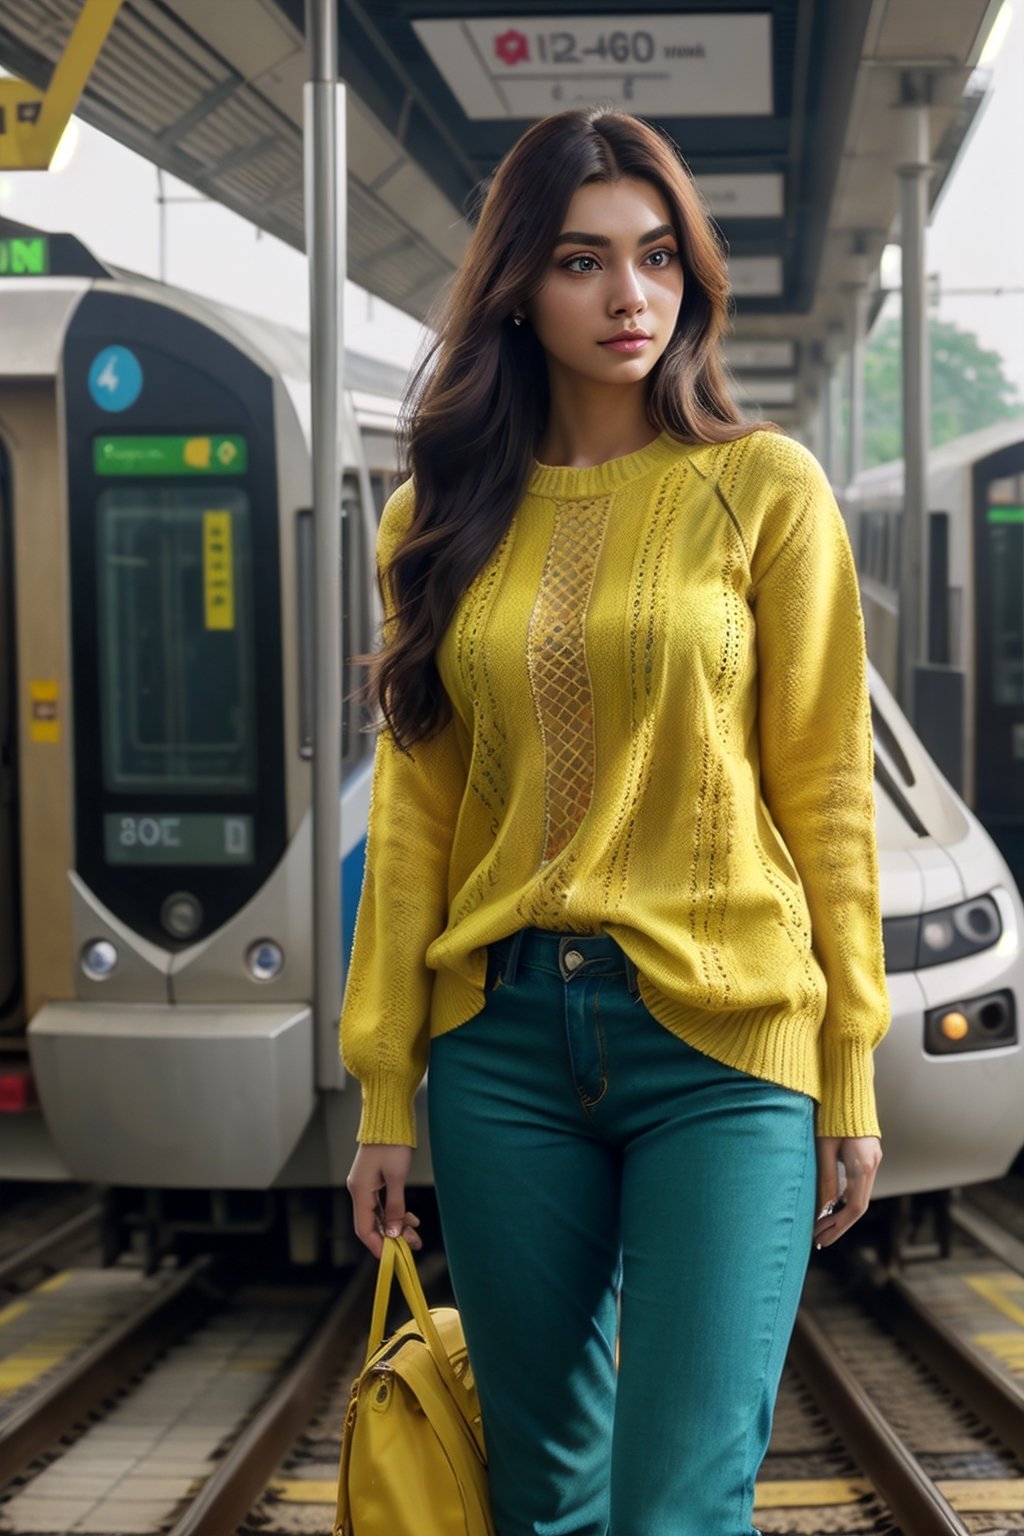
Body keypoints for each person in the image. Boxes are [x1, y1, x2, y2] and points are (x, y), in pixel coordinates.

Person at [341, 106, 887, 1536]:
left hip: (723, 1040)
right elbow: (415, 817)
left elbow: (826, 795)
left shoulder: (765, 491)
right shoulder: (437, 515)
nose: (628, 295)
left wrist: (850, 1065)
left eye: (655, 258)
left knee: (679, 1502)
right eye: (584, 260)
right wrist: (386, 1087)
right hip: (503, 1050)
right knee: (545, 1498)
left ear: (691, 279)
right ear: (518, 283)